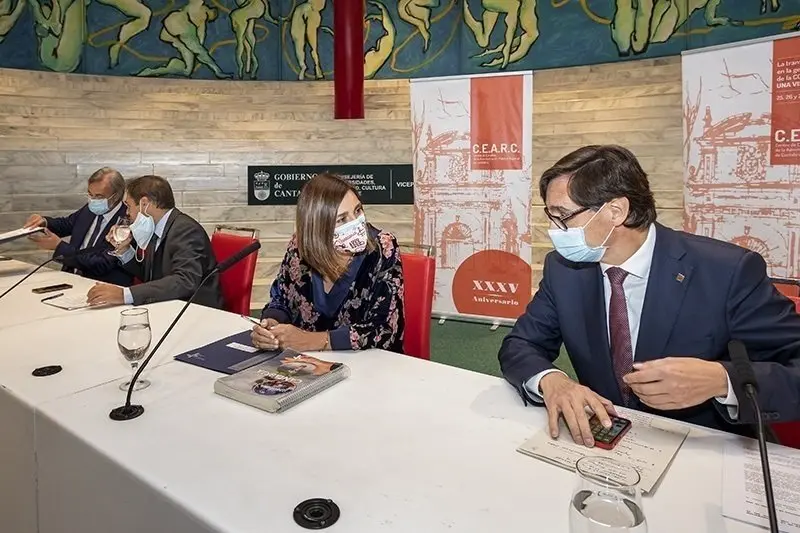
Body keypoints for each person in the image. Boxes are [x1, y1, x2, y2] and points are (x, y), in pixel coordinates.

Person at [498, 145, 800, 447]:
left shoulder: (727, 272)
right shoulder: (564, 270)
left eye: (563, 217)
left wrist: (723, 381)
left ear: (615, 211)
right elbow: (521, 344)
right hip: (608, 440)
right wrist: (552, 381)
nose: (554, 231)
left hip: (706, 447)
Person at [251, 173, 404, 353]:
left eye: (358, 210)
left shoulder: (383, 248)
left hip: (367, 366)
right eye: (341, 219)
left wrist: (313, 340)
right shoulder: (299, 247)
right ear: (317, 226)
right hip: (303, 364)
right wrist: (272, 324)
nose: (356, 223)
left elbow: (385, 330)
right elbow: (281, 299)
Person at [86, 175, 223, 309]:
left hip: (196, 311)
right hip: (167, 305)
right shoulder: (155, 227)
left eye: (129, 206)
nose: (127, 213)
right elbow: (149, 276)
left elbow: (185, 281)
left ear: (144, 204)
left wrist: (124, 294)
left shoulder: (185, 230)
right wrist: (124, 251)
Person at [24, 167, 133, 287]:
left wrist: (59, 247)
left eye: (99, 196)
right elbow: (68, 224)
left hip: (102, 285)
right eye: (90, 194)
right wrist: (44, 221)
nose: (93, 200)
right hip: (70, 278)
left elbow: (102, 263)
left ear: (116, 195)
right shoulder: (90, 208)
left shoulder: (127, 221)